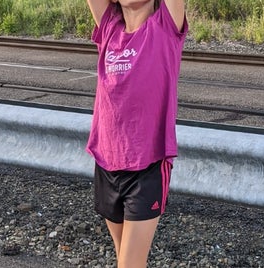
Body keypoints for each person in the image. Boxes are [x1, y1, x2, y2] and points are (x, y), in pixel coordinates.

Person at [84, 0, 188, 267]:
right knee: (126, 259)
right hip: (107, 162)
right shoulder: (109, 25)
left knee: (129, 264)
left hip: (147, 167)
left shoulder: (165, 25)